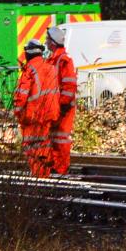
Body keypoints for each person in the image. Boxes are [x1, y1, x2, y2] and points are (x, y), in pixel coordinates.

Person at [11, 39, 60, 177]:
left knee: (33, 147)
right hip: (51, 115)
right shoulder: (50, 68)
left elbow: (21, 95)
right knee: (45, 146)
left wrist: (19, 114)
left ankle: (38, 176)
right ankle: (45, 175)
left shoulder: (29, 69)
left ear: (28, 53)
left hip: (33, 116)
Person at [45, 25, 79, 174]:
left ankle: (61, 168)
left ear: (53, 41)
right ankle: (55, 165)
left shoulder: (63, 60)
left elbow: (69, 84)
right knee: (54, 137)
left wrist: (63, 104)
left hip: (63, 107)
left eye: (47, 39)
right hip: (55, 107)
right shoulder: (54, 59)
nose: (45, 42)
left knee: (61, 138)